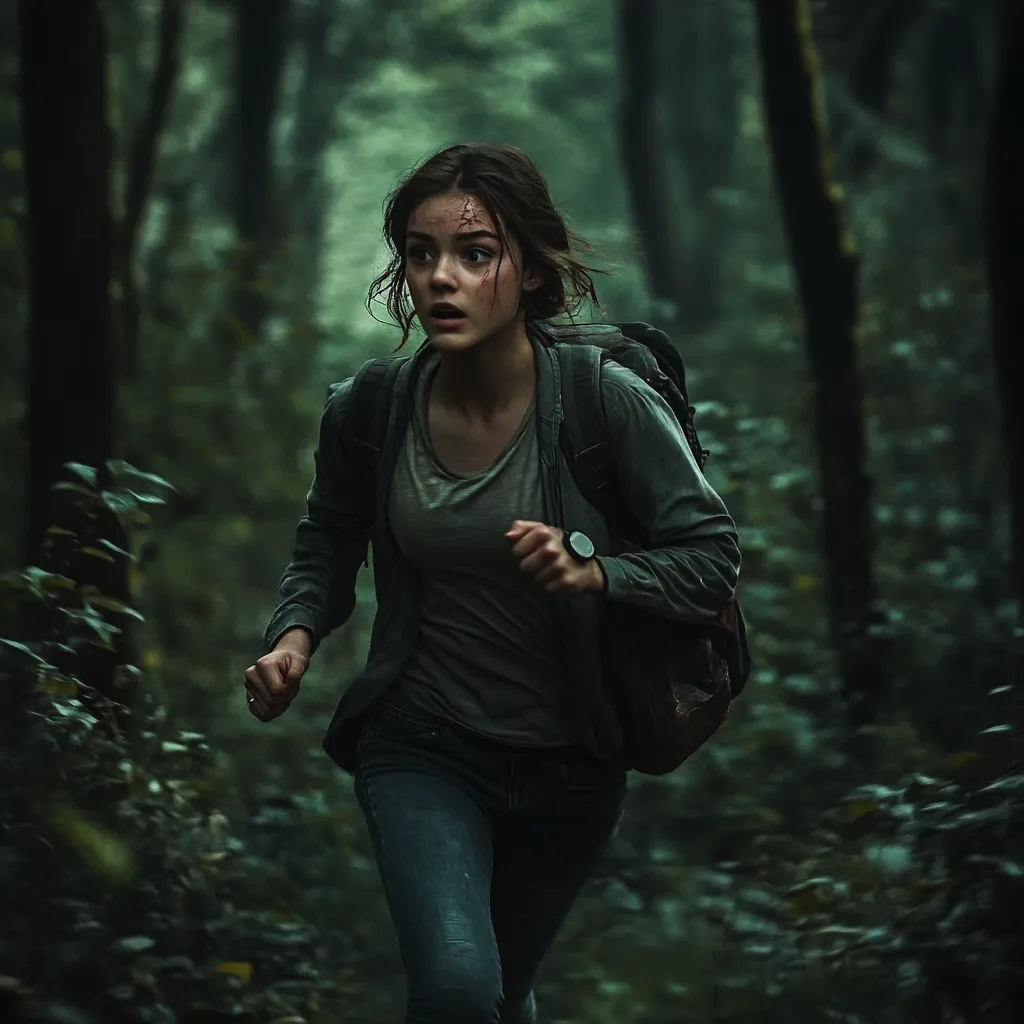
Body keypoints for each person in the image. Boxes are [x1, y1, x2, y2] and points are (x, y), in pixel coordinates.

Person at [244, 142, 741, 1024]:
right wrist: (294, 639)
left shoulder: (606, 401)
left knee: (501, 995)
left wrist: (599, 573)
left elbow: (710, 557)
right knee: (460, 992)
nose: (443, 277)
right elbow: (328, 538)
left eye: (476, 253)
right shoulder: (368, 410)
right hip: (422, 746)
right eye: (421, 252)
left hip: (573, 769)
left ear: (532, 270)